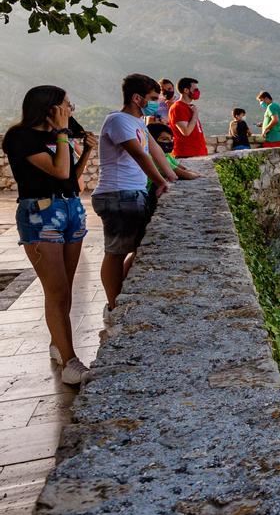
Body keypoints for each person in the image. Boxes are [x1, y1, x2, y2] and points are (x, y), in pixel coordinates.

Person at [2, 86, 96, 384]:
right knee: (56, 290)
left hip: (71, 209)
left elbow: (70, 176)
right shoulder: (20, 137)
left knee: (66, 288)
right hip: (40, 215)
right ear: (49, 107)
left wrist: (88, 150)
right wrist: (64, 134)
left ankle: (59, 343)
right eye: (67, 105)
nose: (71, 109)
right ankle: (70, 360)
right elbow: (57, 171)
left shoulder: (56, 137)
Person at [93, 74, 176, 323]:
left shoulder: (138, 122)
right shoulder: (118, 121)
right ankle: (113, 306)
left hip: (132, 193)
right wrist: (161, 181)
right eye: (152, 98)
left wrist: (172, 177)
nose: (156, 103)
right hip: (117, 193)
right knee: (116, 252)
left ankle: (122, 298)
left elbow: (157, 151)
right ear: (136, 98)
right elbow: (140, 155)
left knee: (140, 248)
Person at [168, 77, 207, 158]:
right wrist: (195, 114)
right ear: (186, 90)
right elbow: (186, 132)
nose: (197, 92)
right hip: (186, 154)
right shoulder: (178, 107)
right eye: (195, 90)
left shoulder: (190, 107)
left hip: (198, 152)